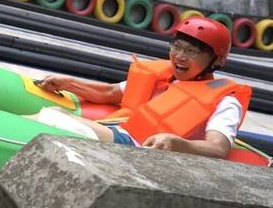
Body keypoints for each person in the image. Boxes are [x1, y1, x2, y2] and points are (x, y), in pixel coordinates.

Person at [35, 17, 249, 159]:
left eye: (191, 51)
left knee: (54, 119)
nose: (179, 56)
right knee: (55, 112)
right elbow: (110, 93)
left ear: (216, 60)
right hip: (120, 131)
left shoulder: (226, 102)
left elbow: (218, 148)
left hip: (140, 150)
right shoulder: (165, 76)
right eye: (177, 47)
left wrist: (178, 143)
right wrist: (68, 83)